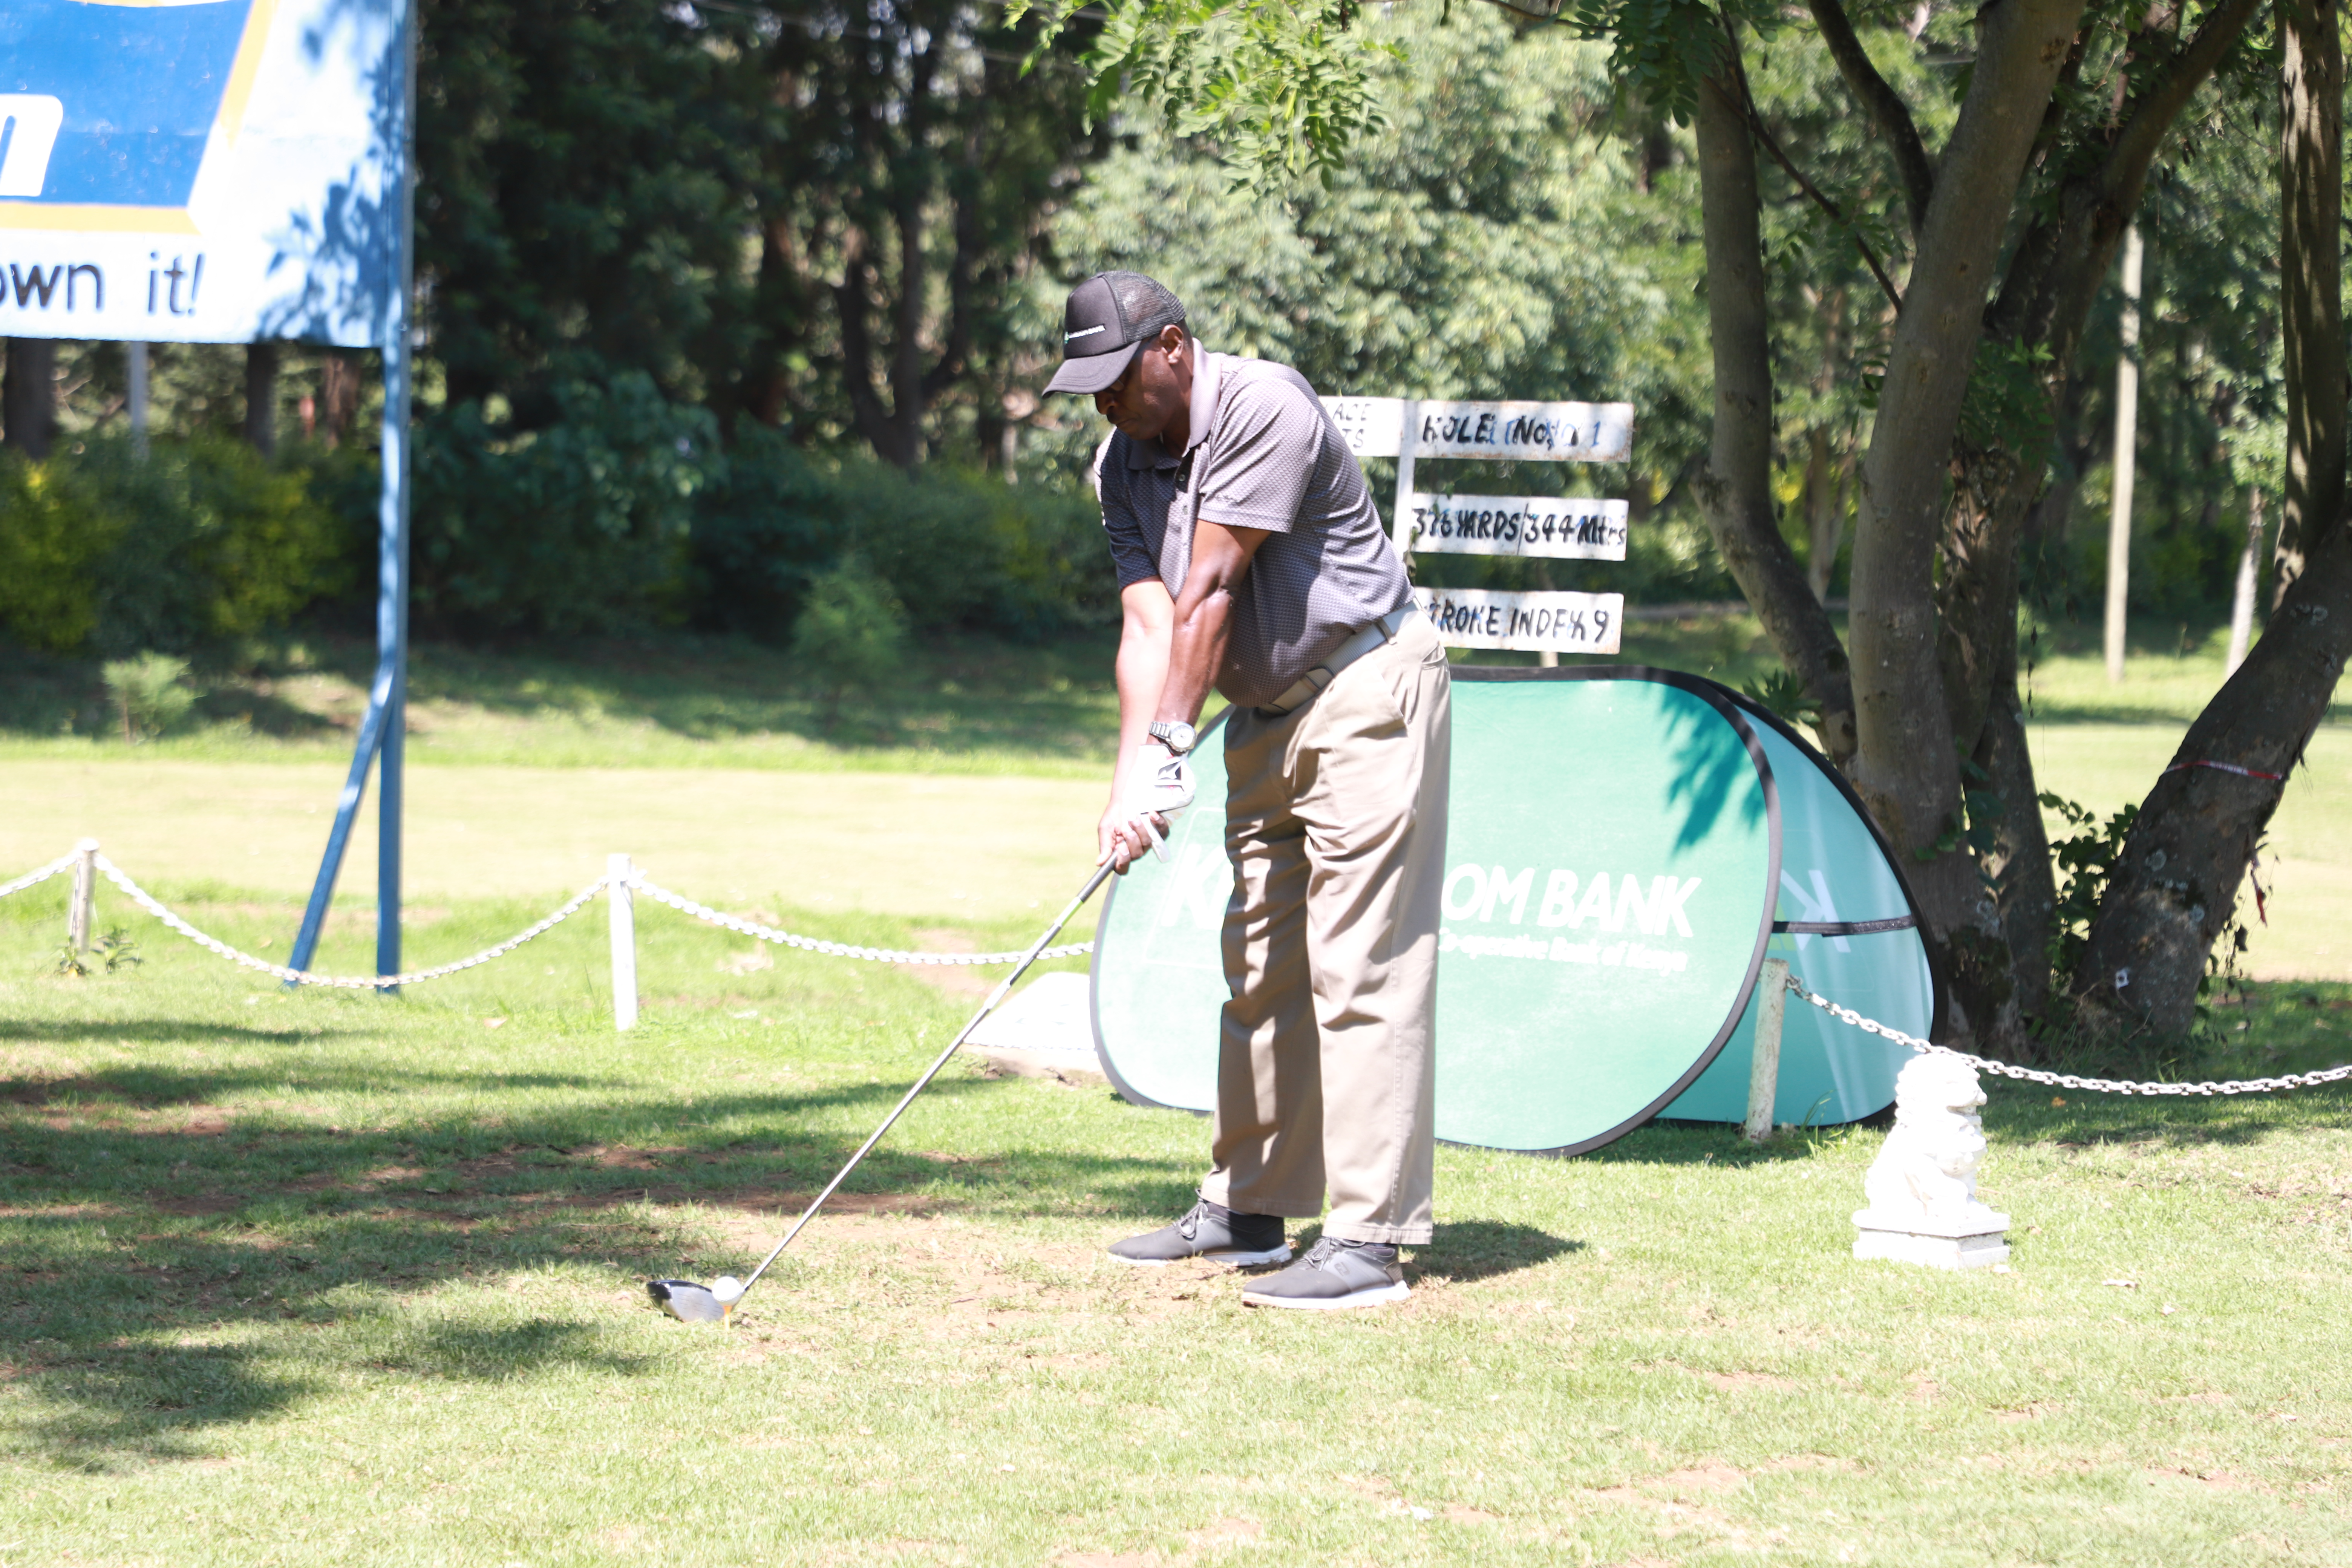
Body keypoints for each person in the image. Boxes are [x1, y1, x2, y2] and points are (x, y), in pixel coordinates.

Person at [1044, 270, 1452, 1310]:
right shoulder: (1119, 464)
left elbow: (1212, 589)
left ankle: (1368, 1240)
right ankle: (1251, 1207)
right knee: (1262, 961)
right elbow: (1147, 626)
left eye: (1118, 377)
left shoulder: (1263, 404)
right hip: (1261, 715)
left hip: (1364, 685)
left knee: (1362, 967)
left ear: (1173, 347)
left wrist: (1174, 741)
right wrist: (1132, 776)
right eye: (1087, 385)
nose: (1105, 403)